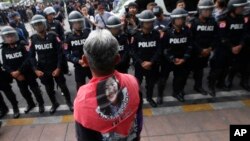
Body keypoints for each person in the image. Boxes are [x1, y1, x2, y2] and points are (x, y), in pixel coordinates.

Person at [74, 29, 142, 141]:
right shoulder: (133, 81)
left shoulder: (82, 100)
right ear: (117, 59)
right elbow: (138, 117)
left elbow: (83, 137)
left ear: (85, 60)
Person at [29, 15, 73, 113]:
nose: (39, 26)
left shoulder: (53, 36)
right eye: (36, 25)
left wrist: (58, 68)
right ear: (34, 27)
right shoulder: (33, 39)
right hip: (43, 68)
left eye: (40, 24)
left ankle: (69, 102)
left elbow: (60, 53)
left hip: (55, 66)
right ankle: (54, 103)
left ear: (44, 24)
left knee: (63, 86)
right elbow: (31, 56)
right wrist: (36, 69)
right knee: (48, 88)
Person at [1, 26, 45, 115]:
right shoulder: (4, 49)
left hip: (28, 72)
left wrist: (19, 71)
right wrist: (12, 73)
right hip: (17, 76)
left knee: (35, 89)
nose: (9, 38)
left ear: (15, 36)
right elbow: (5, 64)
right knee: (24, 91)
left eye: (11, 36)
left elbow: (28, 59)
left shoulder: (22, 45)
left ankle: (41, 104)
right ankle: (31, 104)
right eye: (7, 37)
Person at [208, 0, 248, 95]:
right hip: (223, 49)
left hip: (235, 49)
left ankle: (221, 83)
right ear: (233, 8)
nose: (242, 9)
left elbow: (244, 33)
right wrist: (231, 47)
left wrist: (241, 45)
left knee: (227, 68)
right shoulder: (223, 19)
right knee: (217, 68)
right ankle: (211, 85)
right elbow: (222, 36)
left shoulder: (241, 18)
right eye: (240, 7)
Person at [159, 8, 192, 102]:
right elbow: (163, 48)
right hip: (168, 60)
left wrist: (184, 58)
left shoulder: (187, 30)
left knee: (179, 78)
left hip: (182, 59)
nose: (180, 20)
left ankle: (176, 92)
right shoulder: (166, 31)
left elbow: (190, 45)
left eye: (182, 18)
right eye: (178, 19)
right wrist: (172, 59)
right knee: (163, 79)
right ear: (173, 19)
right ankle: (160, 95)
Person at [130, 10, 162, 107]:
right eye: (146, 22)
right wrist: (141, 62)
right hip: (139, 65)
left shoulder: (156, 34)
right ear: (142, 22)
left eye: (151, 21)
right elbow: (132, 51)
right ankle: (137, 100)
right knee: (137, 83)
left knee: (151, 83)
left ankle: (149, 98)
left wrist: (151, 62)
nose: (149, 24)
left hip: (152, 65)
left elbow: (159, 50)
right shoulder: (136, 35)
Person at [188, 0, 219, 96]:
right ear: (200, 10)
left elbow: (216, 36)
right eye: (206, 10)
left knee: (200, 70)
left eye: (210, 10)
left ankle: (198, 86)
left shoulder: (213, 22)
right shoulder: (193, 22)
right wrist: (200, 50)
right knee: (185, 71)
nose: (209, 12)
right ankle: (179, 90)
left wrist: (210, 48)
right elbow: (190, 38)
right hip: (194, 51)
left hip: (207, 51)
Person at [64, 11, 92, 90]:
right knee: (80, 87)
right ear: (72, 24)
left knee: (97, 84)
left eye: (80, 22)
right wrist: (76, 60)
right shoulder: (69, 37)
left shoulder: (88, 33)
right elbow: (66, 53)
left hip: (90, 64)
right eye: (76, 23)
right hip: (79, 65)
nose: (79, 24)